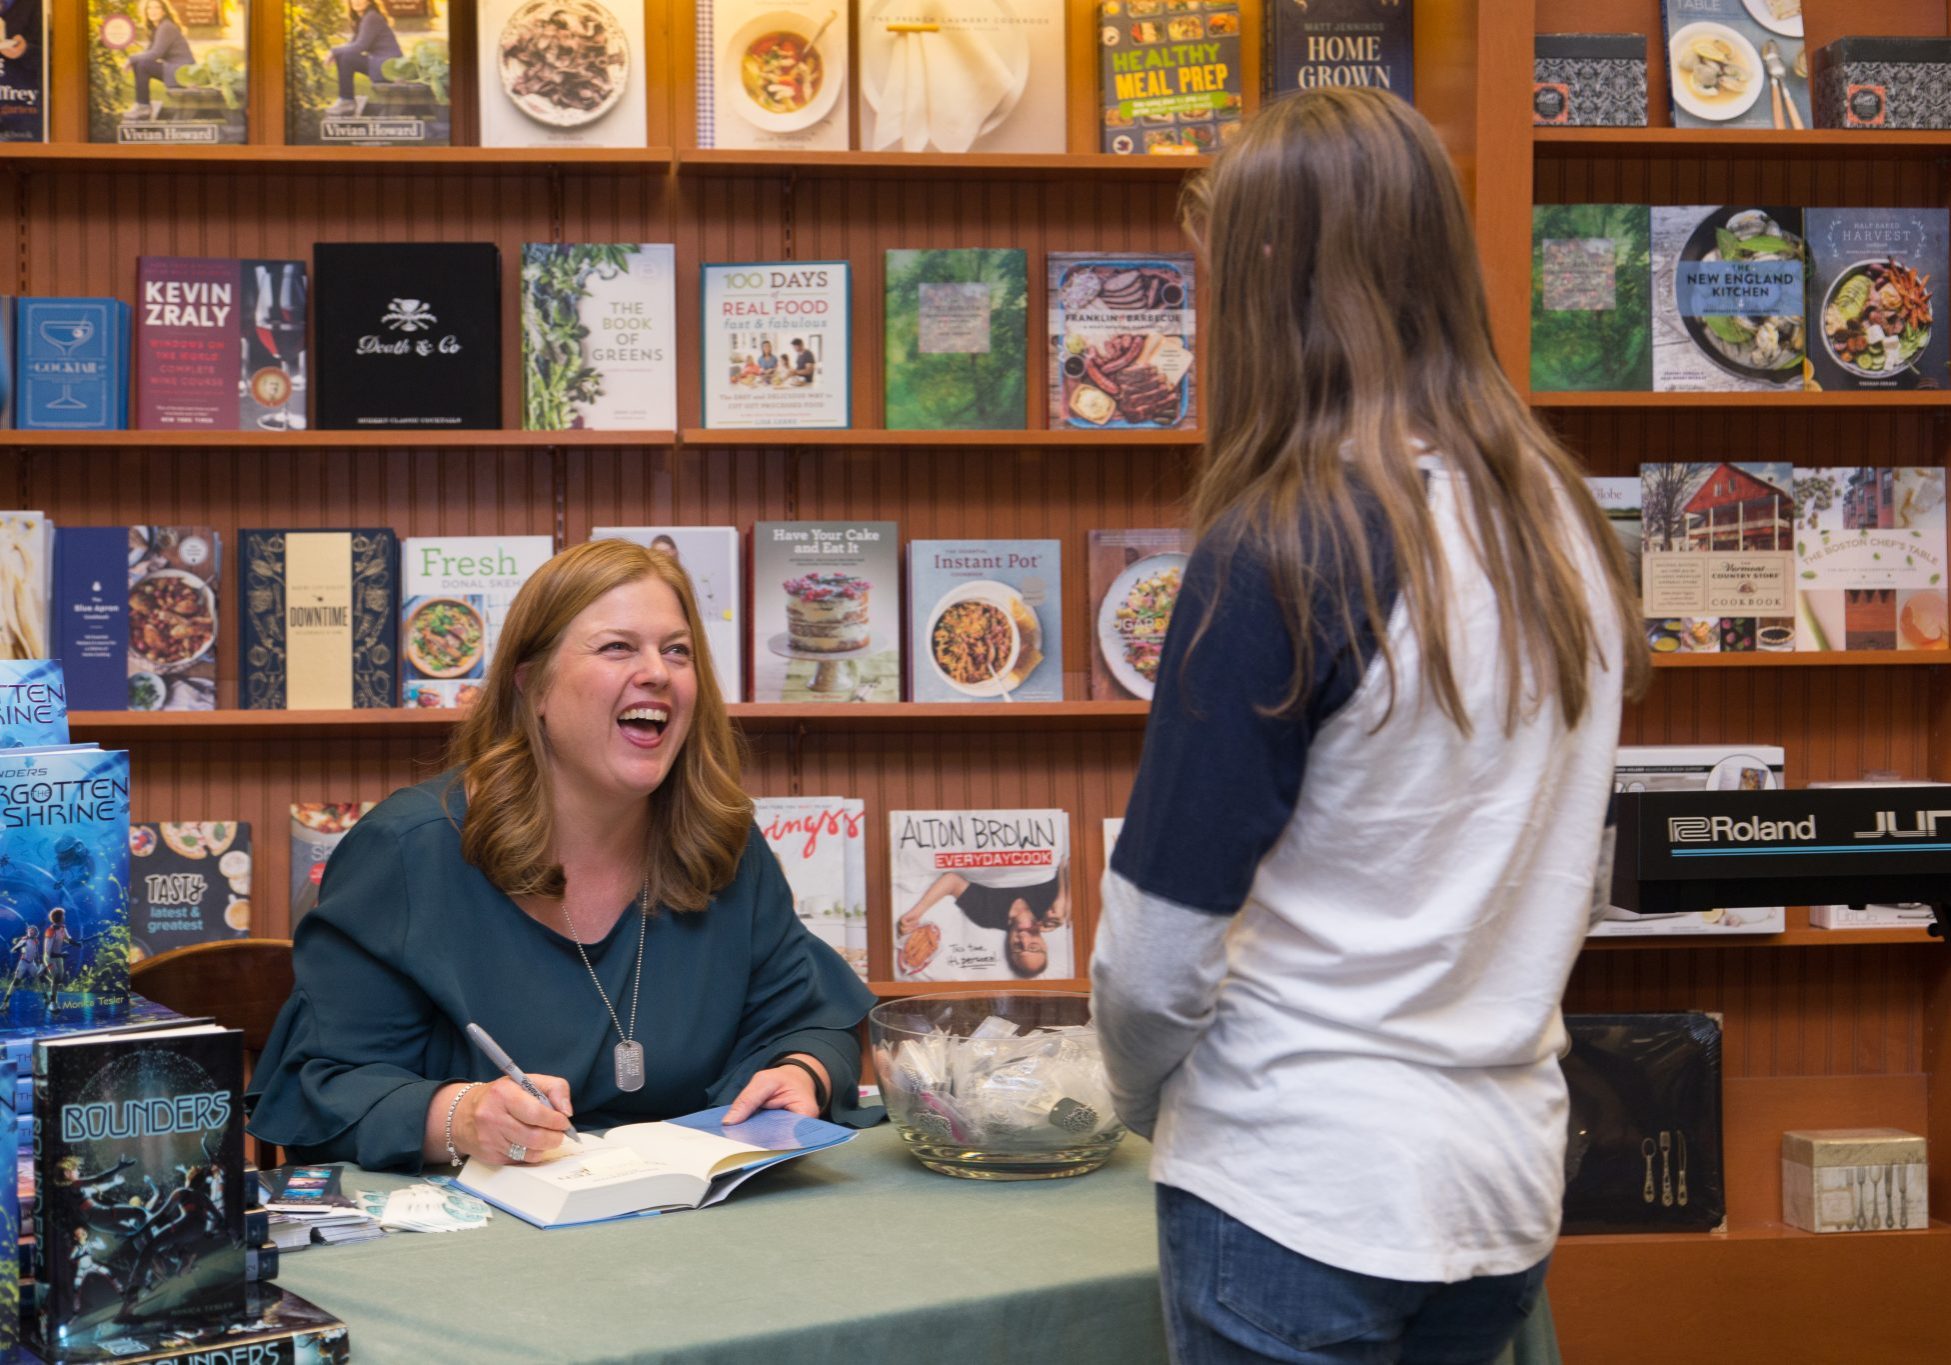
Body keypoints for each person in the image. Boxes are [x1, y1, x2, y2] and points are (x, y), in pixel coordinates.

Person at [1089, 88, 1646, 1365]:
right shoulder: (1563, 528)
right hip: (1499, 1187)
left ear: (1267, 278)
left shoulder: (1282, 544)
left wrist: (1130, 1095)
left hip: (1297, 1180)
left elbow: (1157, 954)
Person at [248, 540, 877, 1172]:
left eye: (677, 651)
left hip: (698, 1213)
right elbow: (322, 1089)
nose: (657, 672)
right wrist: (461, 1116)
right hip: (475, 1217)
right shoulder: (408, 851)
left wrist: (802, 1071)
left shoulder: (722, 841)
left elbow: (813, 1020)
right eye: (617, 647)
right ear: (533, 686)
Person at [895, 859, 1068, 978]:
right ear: (1044, 945)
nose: (1023, 939)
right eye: (1033, 946)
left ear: (1009, 947)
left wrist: (917, 912)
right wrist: (1064, 897)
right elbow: (1064, 859)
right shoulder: (1054, 910)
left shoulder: (987, 915)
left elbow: (952, 880)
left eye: (1017, 947)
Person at [325, 0, 404, 118]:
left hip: (387, 67)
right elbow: (352, 44)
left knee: (346, 57)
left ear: (369, 2)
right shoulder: (363, 18)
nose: (357, 1)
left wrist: (333, 51)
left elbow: (360, 47)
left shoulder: (371, 17)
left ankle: (346, 101)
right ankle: (345, 100)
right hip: (382, 65)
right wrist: (336, 53)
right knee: (344, 55)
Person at [123, 0, 193, 121]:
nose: (153, 11)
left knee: (143, 65)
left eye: (157, 8)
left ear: (164, 11)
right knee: (140, 63)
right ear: (146, 11)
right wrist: (133, 59)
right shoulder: (157, 27)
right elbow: (148, 52)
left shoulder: (166, 27)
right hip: (176, 70)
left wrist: (130, 59)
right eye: (149, 8)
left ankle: (143, 106)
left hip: (182, 72)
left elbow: (155, 54)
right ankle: (141, 105)